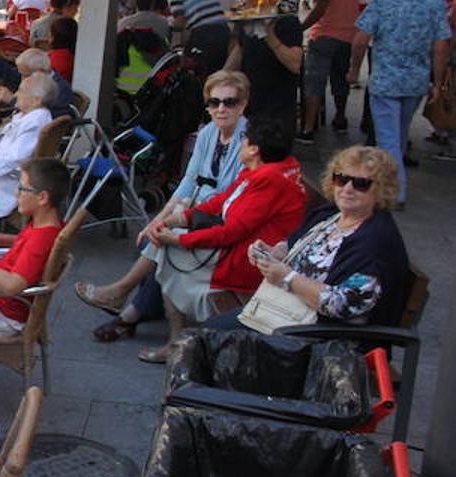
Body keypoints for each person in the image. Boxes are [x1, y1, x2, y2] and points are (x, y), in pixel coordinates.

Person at [78, 71, 251, 340]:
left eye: (229, 102)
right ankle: (132, 312)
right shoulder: (207, 133)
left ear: (243, 104)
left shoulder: (248, 142)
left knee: (160, 242)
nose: (220, 109)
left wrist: (174, 220)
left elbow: (229, 196)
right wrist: (160, 217)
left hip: (220, 220)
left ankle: (124, 299)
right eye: (214, 102)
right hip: (193, 210)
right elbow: (187, 182)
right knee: (153, 235)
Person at [142, 116, 306, 362]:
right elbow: (221, 201)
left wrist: (178, 239)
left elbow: (231, 232)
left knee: (166, 249)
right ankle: (143, 315)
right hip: (239, 248)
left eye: (244, 141)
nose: (240, 145)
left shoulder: (268, 181)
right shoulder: (264, 171)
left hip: (247, 260)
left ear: (254, 150)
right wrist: (177, 221)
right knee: (164, 242)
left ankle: (171, 339)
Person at [224, 146, 409, 332]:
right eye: (341, 179)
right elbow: (293, 243)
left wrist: (288, 278)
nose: (347, 188)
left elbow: (345, 305)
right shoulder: (331, 214)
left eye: (361, 184)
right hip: (285, 312)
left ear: (381, 190)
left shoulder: (377, 242)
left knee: (210, 340)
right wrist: (273, 252)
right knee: (208, 335)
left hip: (321, 335)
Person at [349, 0, 451, 206]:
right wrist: (437, 82)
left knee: (388, 139)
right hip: (415, 81)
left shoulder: (384, 1)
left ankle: (394, 192)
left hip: (386, 80)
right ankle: (393, 185)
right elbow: (441, 46)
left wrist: (354, 69)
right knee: (400, 133)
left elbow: (360, 39)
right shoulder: (435, 5)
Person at [0, 157, 69, 334]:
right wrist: (2, 239)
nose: (16, 194)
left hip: (0, 313)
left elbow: (12, 286)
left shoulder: (41, 239)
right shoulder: (48, 225)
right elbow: (32, 247)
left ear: (42, 197)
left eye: (21, 188)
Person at [0, 72, 55, 224]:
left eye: (21, 91)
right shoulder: (29, 115)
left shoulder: (35, 122)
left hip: (4, 180)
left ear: (36, 100)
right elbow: (9, 144)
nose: (16, 94)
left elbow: (15, 159)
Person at [299, 0, 361, 141]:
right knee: (340, 81)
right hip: (347, 36)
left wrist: (302, 27)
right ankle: (340, 119)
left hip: (324, 34)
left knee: (314, 82)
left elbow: (320, 8)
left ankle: (308, 128)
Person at [225, 0, 302, 123]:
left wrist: (268, 34)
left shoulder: (288, 22)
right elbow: (235, 58)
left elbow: (295, 64)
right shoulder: (248, 24)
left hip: (278, 108)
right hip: (250, 104)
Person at [163, 0, 231, 75]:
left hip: (204, 34)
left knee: (197, 70)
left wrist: (171, 26)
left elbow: (180, 20)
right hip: (224, 30)